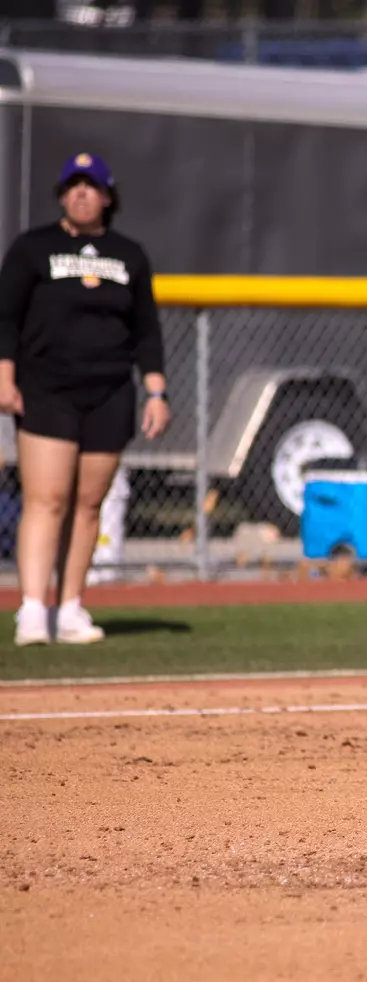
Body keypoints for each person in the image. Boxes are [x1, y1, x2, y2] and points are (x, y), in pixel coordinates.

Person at [0, 152, 168, 646]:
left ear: (107, 197)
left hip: (110, 391)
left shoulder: (128, 255)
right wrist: (5, 376)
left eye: (91, 186)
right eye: (73, 185)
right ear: (61, 195)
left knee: (88, 505)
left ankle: (71, 607)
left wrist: (156, 391)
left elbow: (147, 331)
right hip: (47, 389)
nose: (81, 193)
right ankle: (33, 609)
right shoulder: (34, 248)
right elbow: (5, 318)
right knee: (46, 499)